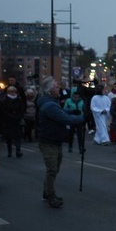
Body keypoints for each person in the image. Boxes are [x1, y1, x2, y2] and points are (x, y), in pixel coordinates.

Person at [36, 76, 86, 208]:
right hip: (49, 141)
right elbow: (64, 118)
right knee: (52, 169)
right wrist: (81, 118)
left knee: (54, 168)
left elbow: (61, 112)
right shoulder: (49, 104)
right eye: (56, 86)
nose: (59, 88)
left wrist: (73, 111)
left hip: (53, 140)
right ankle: (51, 195)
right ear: (49, 90)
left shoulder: (50, 102)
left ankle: (47, 190)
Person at [0, 85, 26, 158]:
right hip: (8, 121)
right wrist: (11, 116)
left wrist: (19, 116)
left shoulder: (19, 99)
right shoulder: (5, 100)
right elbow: (3, 111)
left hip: (17, 121)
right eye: (11, 91)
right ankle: (10, 151)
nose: (13, 93)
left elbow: (22, 109)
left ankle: (18, 151)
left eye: (14, 91)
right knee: (9, 138)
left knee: (18, 137)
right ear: (8, 92)